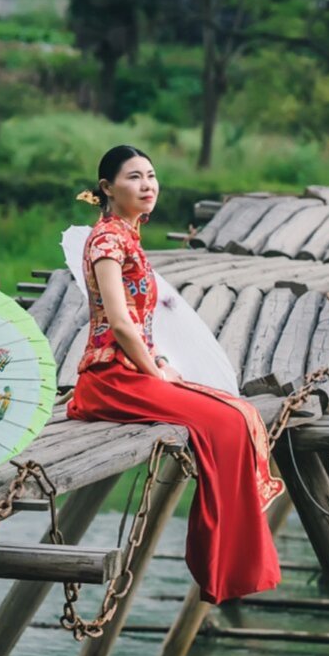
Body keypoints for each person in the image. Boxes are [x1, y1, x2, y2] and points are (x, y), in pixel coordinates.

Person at [65, 145, 282, 604]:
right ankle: (220, 565)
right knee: (224, 422)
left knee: (238, 411)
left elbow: (141, 323)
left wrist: (159, 360)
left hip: (135, 369)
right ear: (107, 188)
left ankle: (234, 563)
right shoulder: (107, 242)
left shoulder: (129, 237)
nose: (147, 185)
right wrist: (155, 372)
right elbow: (119, 323)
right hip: (111, 378)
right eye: (134, 177)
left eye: (151, 175)